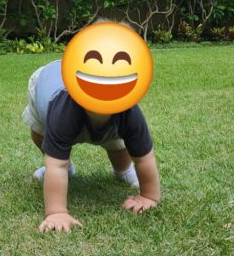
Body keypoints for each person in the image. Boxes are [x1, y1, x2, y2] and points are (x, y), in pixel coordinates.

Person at [21, 56, 162, 233]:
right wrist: (56, 212)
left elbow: (144, 157)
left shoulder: (129, 111)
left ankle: (123, 170)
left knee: (117, 141)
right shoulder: (61, 112)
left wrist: (149, 196)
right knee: (43, 135)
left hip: (104, 107)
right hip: (46, 84)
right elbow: (56, 165)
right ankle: (69, 169)